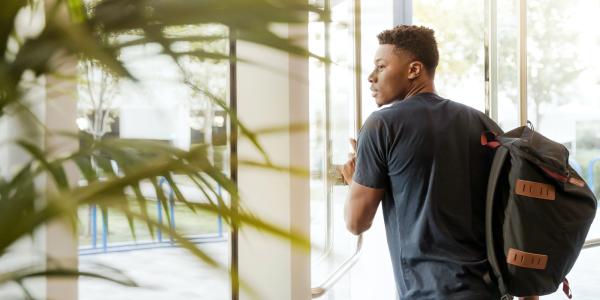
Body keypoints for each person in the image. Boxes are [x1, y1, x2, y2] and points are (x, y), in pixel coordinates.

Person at [340, 25, 538, 300]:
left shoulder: (382, 125)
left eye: (381, 67)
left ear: (414, 70)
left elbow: (356, 222)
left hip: (428, 293)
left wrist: (354, 181)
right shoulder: (482, 123)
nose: (371, 78)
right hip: (489, 290)